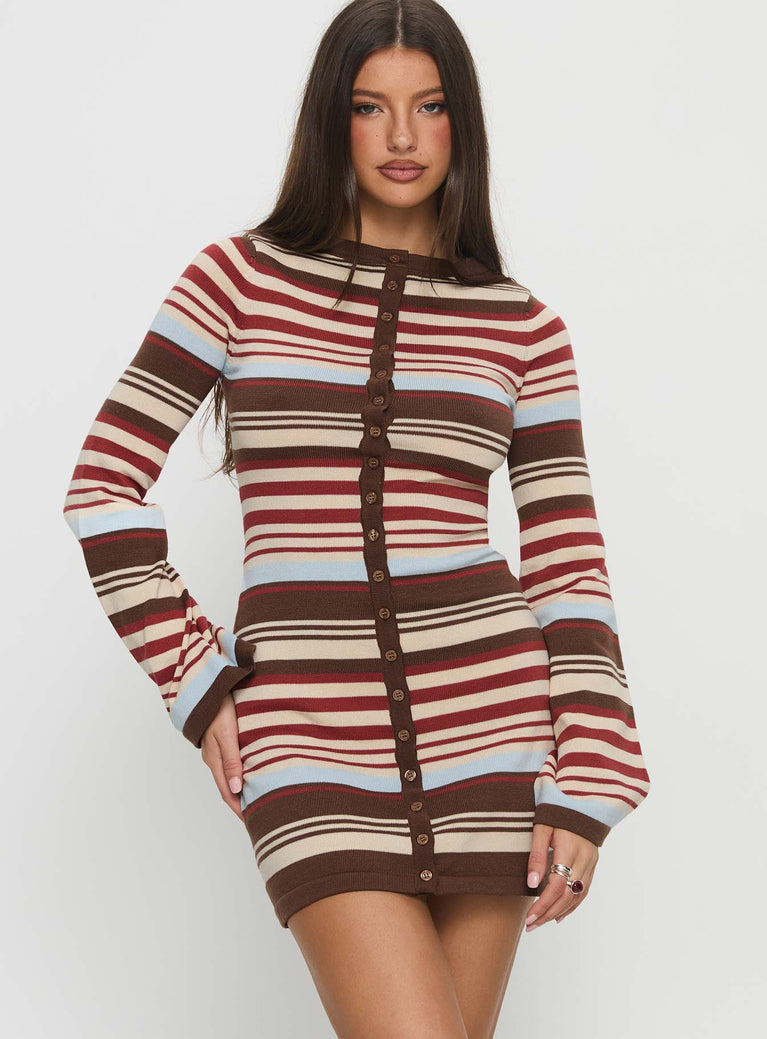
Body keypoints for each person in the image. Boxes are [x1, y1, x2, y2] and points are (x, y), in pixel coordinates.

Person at [62, 1, 650, 1035]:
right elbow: (103, 485)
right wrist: (198, 677)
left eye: (430, 106)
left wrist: (589, 772)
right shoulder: (235, 281)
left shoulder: (523, 329)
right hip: (307, 739)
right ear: (329, 120)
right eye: (369, 107)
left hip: (493, 735)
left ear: (462, 122)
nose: (401, 136)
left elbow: (566, 563)